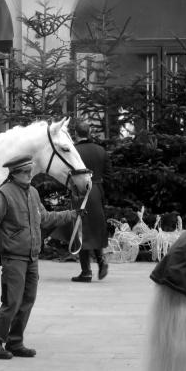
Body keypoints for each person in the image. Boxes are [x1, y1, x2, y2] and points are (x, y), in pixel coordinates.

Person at [0, 155, 82, 359]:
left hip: (32, 257)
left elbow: (45, 219)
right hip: (14, 258)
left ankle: (15, 342)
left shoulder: (34, 193)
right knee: (12, 302)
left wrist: (72, 214)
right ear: (15, 173)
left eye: (30, 171)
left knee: (28, 300)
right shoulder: (5, 194)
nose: (30, 175)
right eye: (25, 172)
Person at [70, 120, 111, 283]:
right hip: (97, 191)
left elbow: (69, 174)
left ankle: (86, 272)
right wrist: (101, 192)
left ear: (75, 134)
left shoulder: (73, 151)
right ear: (89, 133)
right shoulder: (101, 150)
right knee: (95, 227)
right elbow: (109, 176)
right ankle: (101, 261)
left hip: (80, 192)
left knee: (81, 229)